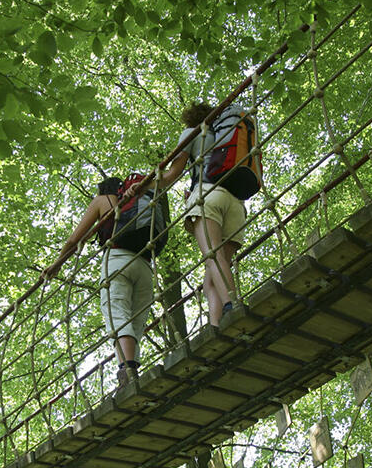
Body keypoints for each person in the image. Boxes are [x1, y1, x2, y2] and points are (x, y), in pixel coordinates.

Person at [134, 101, 250, 325]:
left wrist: (142, 186)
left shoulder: (194, 132)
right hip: (236, 204)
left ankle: (233, 307)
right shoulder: (230, 132)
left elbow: (170, 176)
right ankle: (216, 325)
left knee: (212, 256)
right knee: (213, 271)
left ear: (190, 118)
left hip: (207, 195)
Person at [43, 176, 161, 386]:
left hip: (117, 260)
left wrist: (57, 264)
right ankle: (131, 367)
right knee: (135, 322)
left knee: (117, 314)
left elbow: (74, 240)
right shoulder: (135, 200)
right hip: (145, 263)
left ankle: (128, 370)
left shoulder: (102, 200)